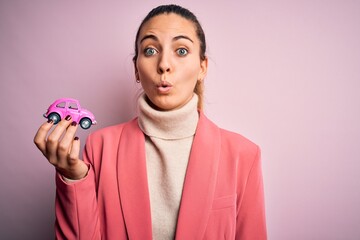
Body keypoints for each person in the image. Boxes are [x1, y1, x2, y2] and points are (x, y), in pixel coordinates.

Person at [34, 4, 267, 240]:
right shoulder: (100, 146)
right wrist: (73, 177)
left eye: (182, 50)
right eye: (150, 51)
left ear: (202, 67)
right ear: (136, 69)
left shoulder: (243, 156)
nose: (164, 64)